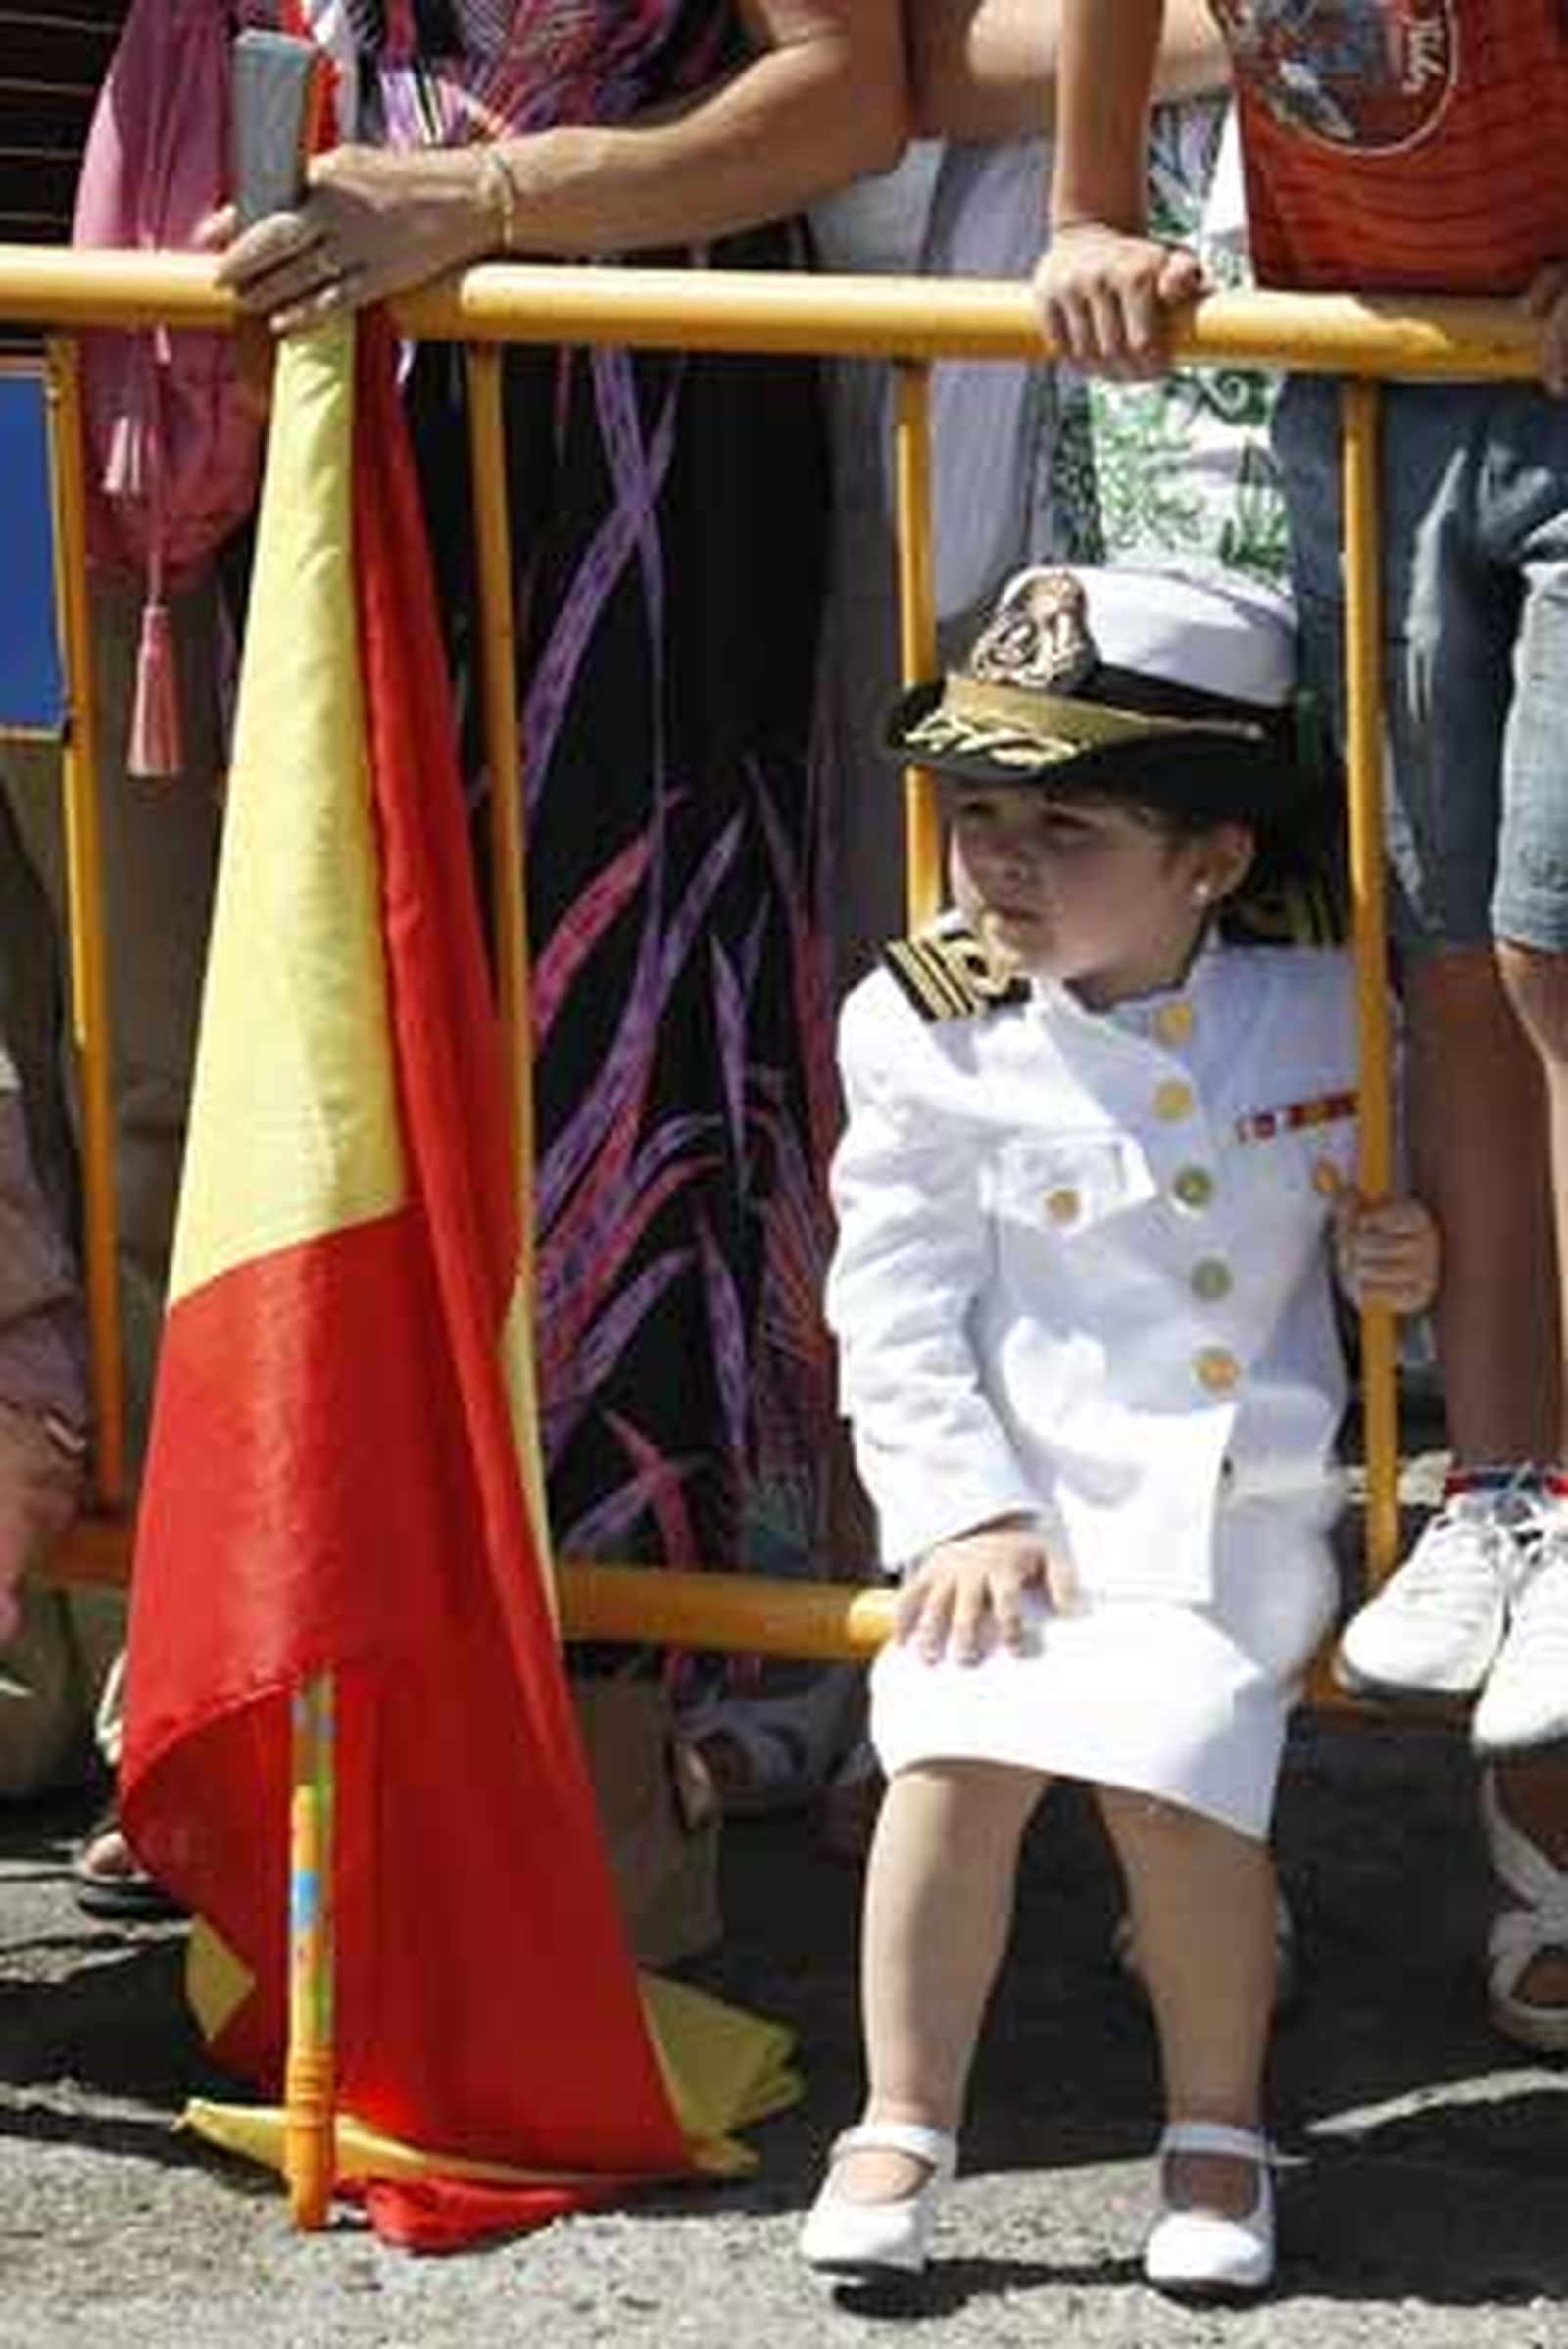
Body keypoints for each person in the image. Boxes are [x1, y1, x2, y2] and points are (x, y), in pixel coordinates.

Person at [62, 3, 906, 1943]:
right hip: (338, 414)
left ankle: (600, 1823)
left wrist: (495, 196)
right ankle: (312, 1726)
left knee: (613, 1070)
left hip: (630, 425)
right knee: (330, 1043)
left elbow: (848, 90)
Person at [798, 561, 1440, 2300]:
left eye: (1066, 824)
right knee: (944, 1753)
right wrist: (955, 1513)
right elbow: (897, 1298)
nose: (1000, 858)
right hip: (1020, 1499)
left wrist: (1408, 1259)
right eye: (979, 810)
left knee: (1176, 1779)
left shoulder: (1322, 1013)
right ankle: (901, 2116)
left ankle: (1217, 2127)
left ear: (1214, 856)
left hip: (1228, 1509)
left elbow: (1384, 1249)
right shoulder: (928, 1035)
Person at [1031, 0, 1568, 2055]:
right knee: (1443, 967)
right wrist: (1089, 207)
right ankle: (1504, 1488)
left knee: (1542, 951)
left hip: (1519, 358)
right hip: (1372, 372)